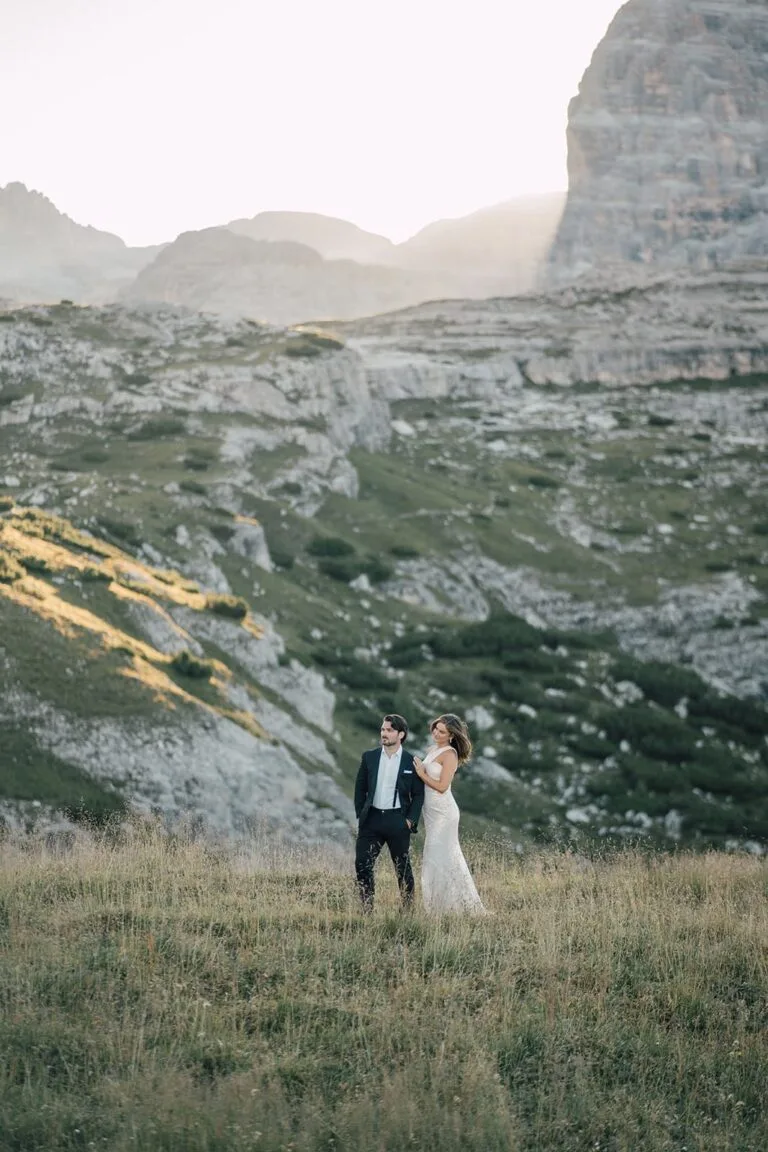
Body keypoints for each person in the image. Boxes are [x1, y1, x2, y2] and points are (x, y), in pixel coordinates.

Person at [413, 714, 486, 914]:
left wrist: (421, 774)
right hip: (431, 812)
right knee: (436, 855)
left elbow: (443, 786)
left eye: (442, 731)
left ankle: (452, 907)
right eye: (436, 728)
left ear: (452, 735)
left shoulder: (450, 755)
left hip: (444, 813)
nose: (437, 733)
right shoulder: (433, 750)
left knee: (440, 855)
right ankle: (440, 905)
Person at [354, 714, 424, 912]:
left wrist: (410, 820)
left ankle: (407, 911)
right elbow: (360, 788)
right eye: (383, 729)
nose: (384, 733)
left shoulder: (412, 761)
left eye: (389, 730)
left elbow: (418, 795)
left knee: (402, 868)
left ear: (401, 734)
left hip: (398, 820)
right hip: (372, 820)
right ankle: (366, 908)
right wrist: (361, 813)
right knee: (362, 863)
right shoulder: (370, 757)